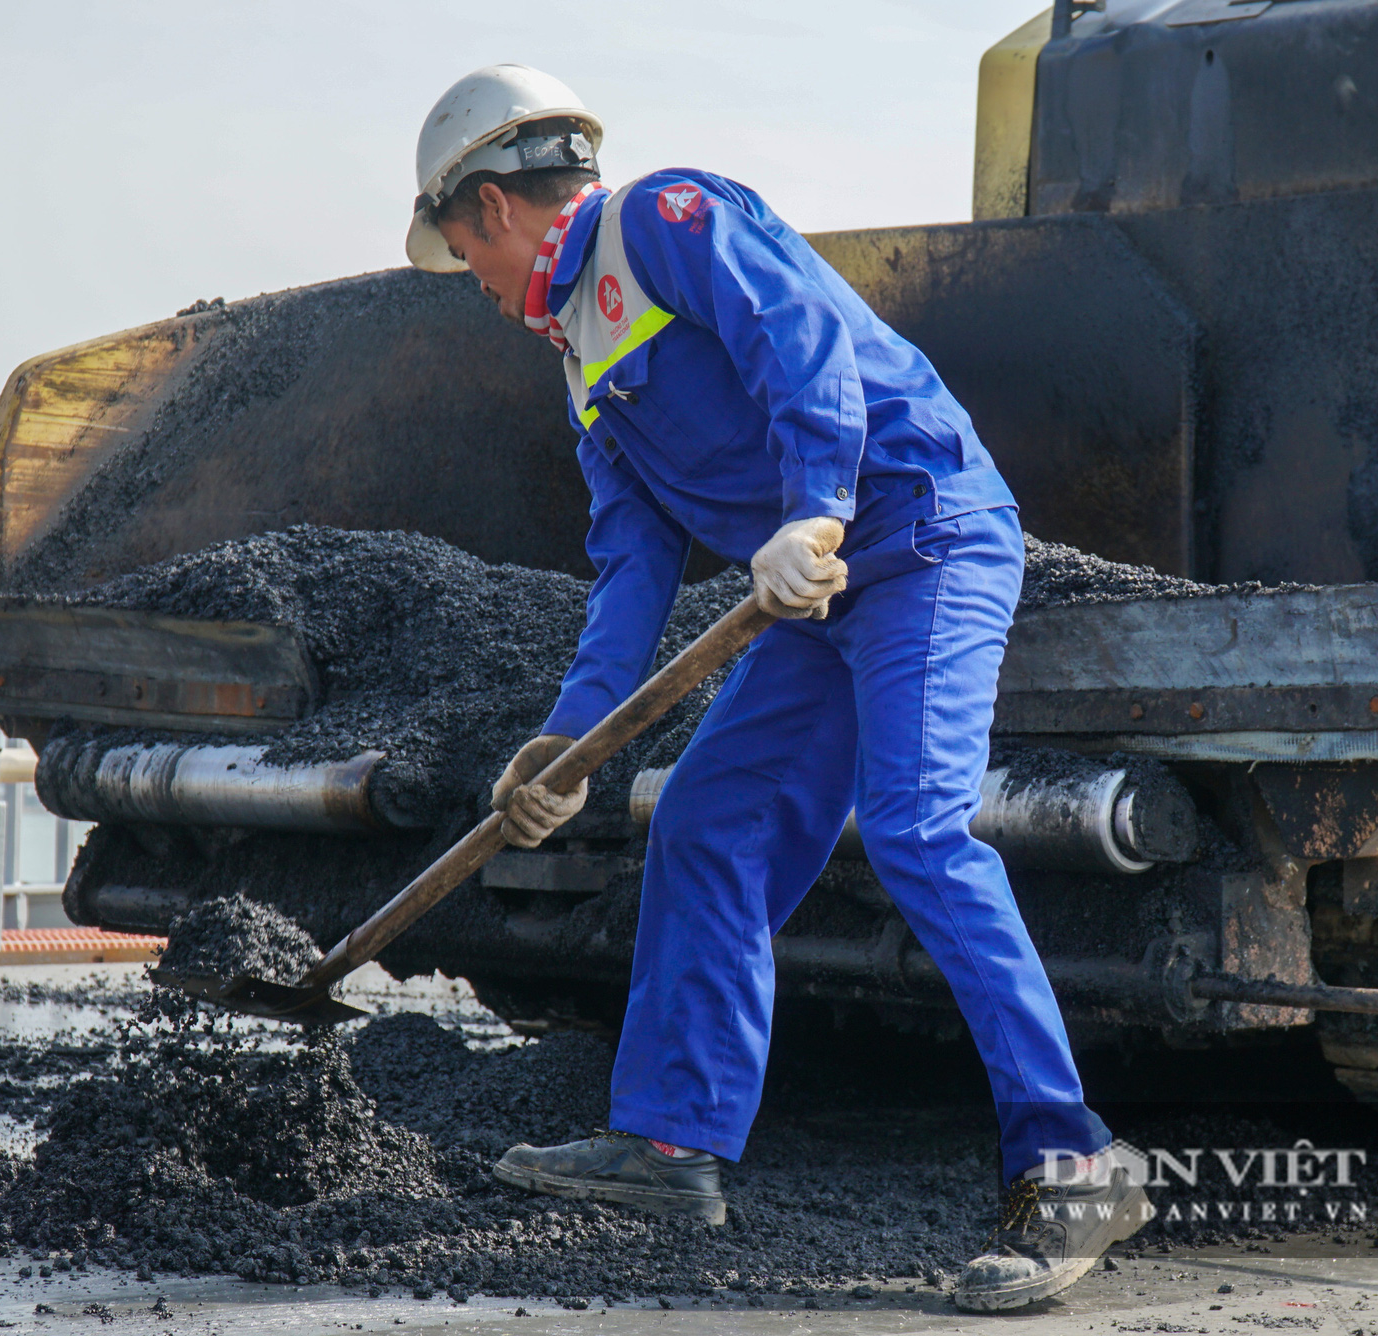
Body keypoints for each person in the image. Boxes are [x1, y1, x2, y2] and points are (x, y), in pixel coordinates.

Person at [403, 64, 1150, 1312]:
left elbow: (798, 336)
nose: (470, 285)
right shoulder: (583, 358)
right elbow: (632, 568)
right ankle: (667, 1145)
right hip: (811, 592)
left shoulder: (662, 222)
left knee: (916, 828)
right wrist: (565, 742)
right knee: (704, 819)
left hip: (917, 540)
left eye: (457, 249)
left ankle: (1071, 1161)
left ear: (489, 206)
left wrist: (813, 507)